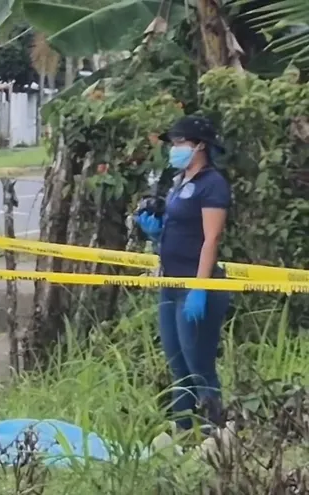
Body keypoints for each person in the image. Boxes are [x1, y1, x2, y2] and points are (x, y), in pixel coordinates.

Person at [135, 115, 231, 432]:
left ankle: (214, 436)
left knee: (199, 367)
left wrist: (200, 287)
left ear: (200, 145)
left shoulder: (212, 185)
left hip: (196, 285)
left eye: (180, 143)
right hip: (171, 284)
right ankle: (182, 434)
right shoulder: (180, 181)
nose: (174, 149)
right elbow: (181, 232)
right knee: (179, 368)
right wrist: (157, 234)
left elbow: (210, 238)